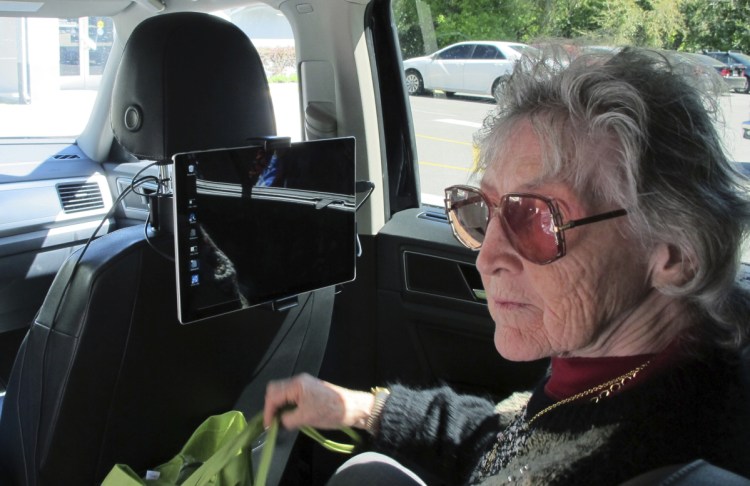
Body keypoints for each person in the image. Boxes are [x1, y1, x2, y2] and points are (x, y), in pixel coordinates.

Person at [263, 46, 750, 485]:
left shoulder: (659, 452)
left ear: (676, 254)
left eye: (537, 217)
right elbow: (512, 443)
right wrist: (360, 407)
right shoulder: (611, 368)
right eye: (480, 209)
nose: (486, 256)